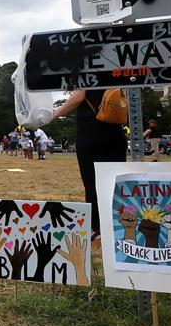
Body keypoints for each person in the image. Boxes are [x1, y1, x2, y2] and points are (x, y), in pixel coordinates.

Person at [51, 90, 127, 243]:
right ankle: (120, 225)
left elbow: (78, 97)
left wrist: (54, 114)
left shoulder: (85, 69)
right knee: (116, 184)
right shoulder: (114, 69)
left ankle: (97, 227)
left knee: (92, 183)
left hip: (91, 129)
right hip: (115, 128)